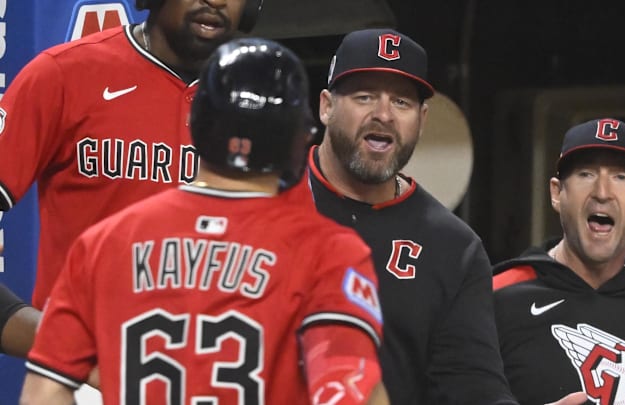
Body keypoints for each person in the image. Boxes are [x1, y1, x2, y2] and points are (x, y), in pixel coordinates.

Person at [19, 37, 389, 405]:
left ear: (197, 125)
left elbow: (45, 390)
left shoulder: (102, 243)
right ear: (297, 138)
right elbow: (352, 390)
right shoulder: (329, 252)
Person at [284, 28, 586, 405]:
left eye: (401, 102)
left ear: (422, 120)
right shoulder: (261, 199)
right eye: (365, 96)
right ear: (326, 106)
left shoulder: (452, 248)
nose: (384, 114)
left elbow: (471, 387)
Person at [0, 0, 262, 313]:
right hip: (85, 353)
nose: (217, 1)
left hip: (207, 351)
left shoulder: (259, 107)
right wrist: (35, 332)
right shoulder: (64, 74)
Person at [493, 118, 625, 404]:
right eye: (586, 174)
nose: (602, 192)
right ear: (556, 193)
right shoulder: (492, 299)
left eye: (621, 177)